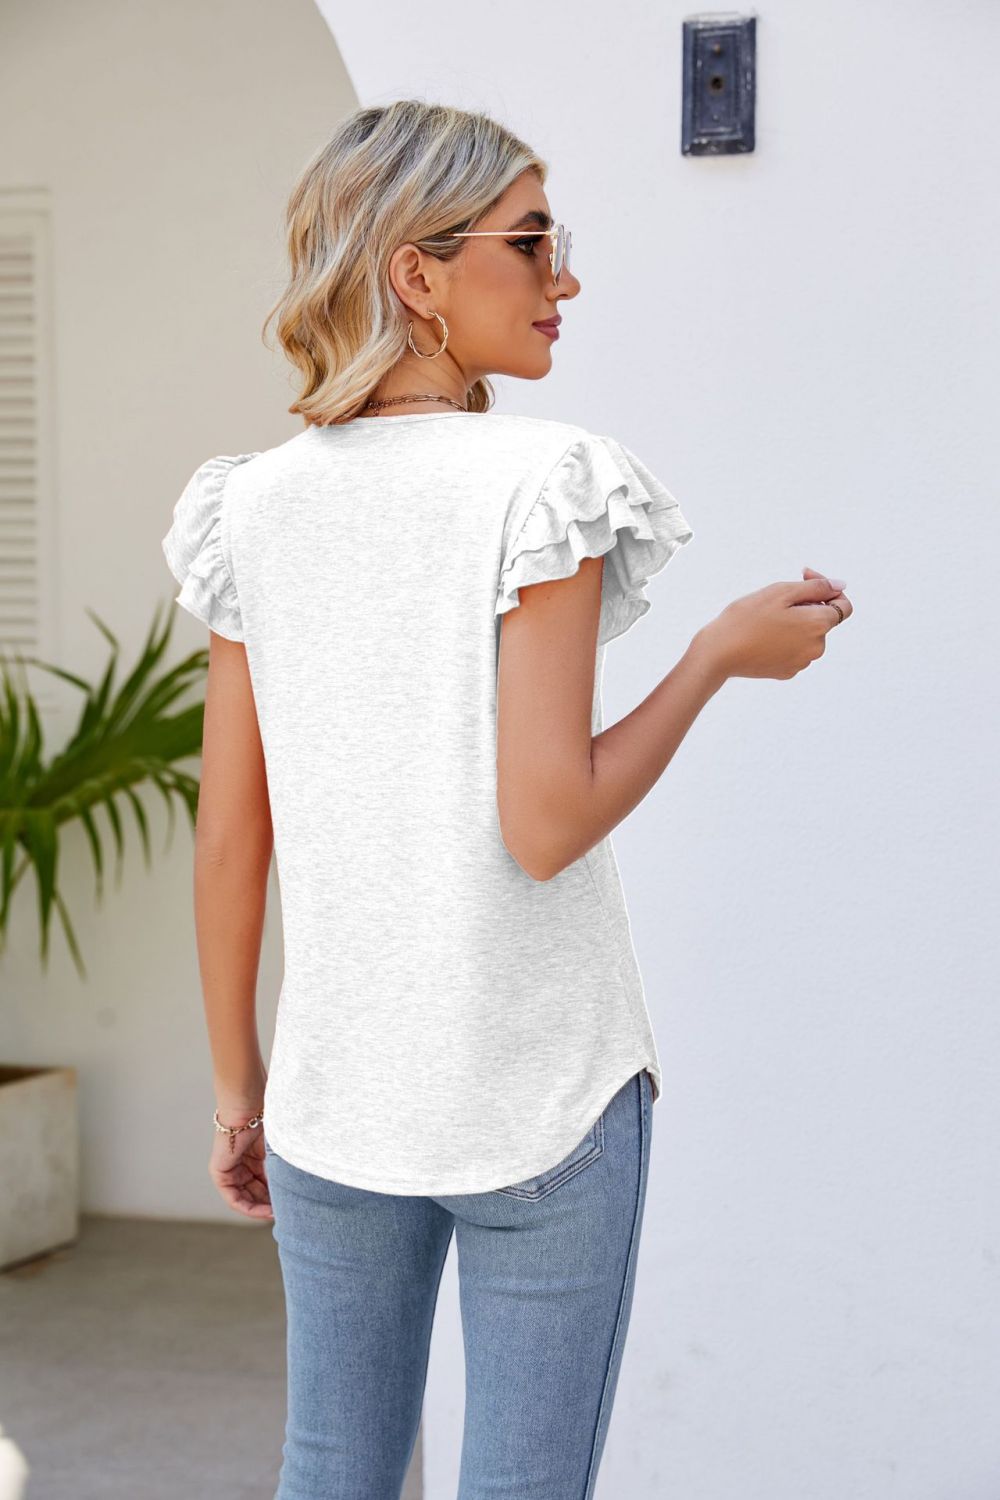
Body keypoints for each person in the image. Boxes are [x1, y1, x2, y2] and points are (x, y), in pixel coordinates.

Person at [161, 99, 852, 1500]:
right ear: (416, 272)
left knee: (331, 1467)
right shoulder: (544, 482)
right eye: (532, 243)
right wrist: (715, 657)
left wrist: (242, 1094)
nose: (565, 279)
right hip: (541, 1089)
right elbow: (545, 825)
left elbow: (233, 835)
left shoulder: (249, 506)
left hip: (335, 1101)